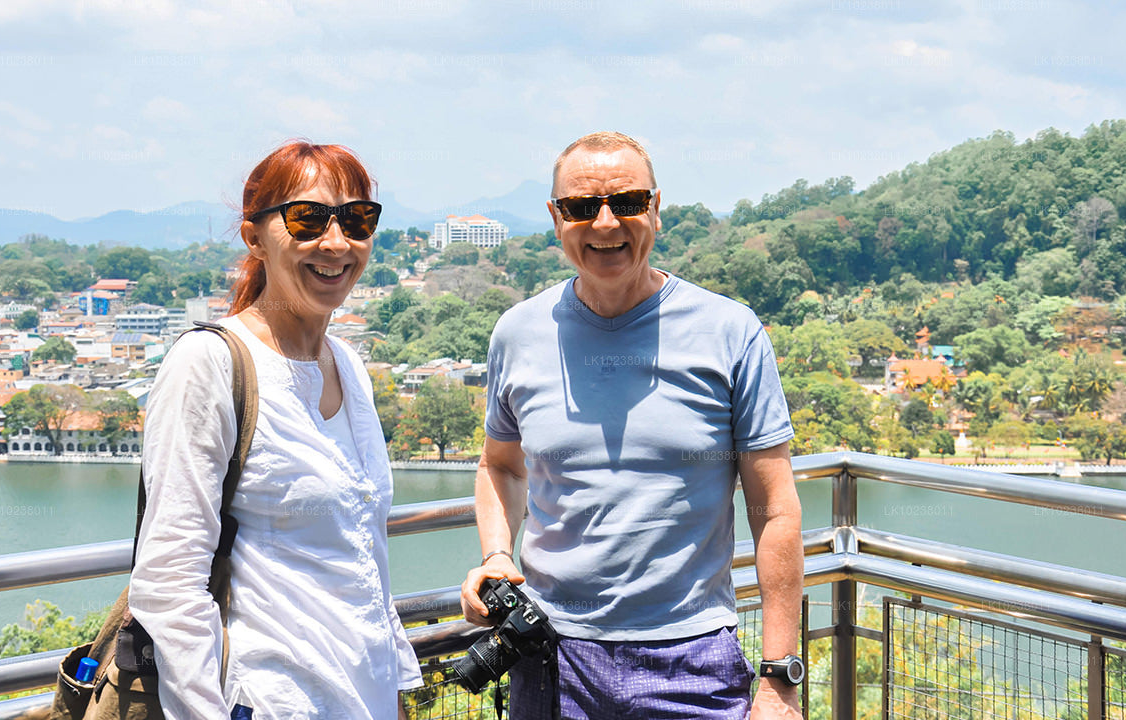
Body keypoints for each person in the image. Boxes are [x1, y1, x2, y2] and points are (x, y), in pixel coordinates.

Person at [460, 131, 804, 719]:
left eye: (626, 203)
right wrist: (496, 555)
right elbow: (500, 465)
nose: (604, 224)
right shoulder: (518, 332)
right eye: (581, 207)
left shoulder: (730, 331)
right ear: (555, 217)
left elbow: (775, 509)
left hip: (691, 659)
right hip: (551, 659)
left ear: (656, 209)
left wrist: (778, 678)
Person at [129, 141, 421, 719]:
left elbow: (363, 551)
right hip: (273, 700)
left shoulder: (350, 366)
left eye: (357, 219)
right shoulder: (208, 365)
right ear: (254, 237)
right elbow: (169, 581)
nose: (336, 243)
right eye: (307, 218)